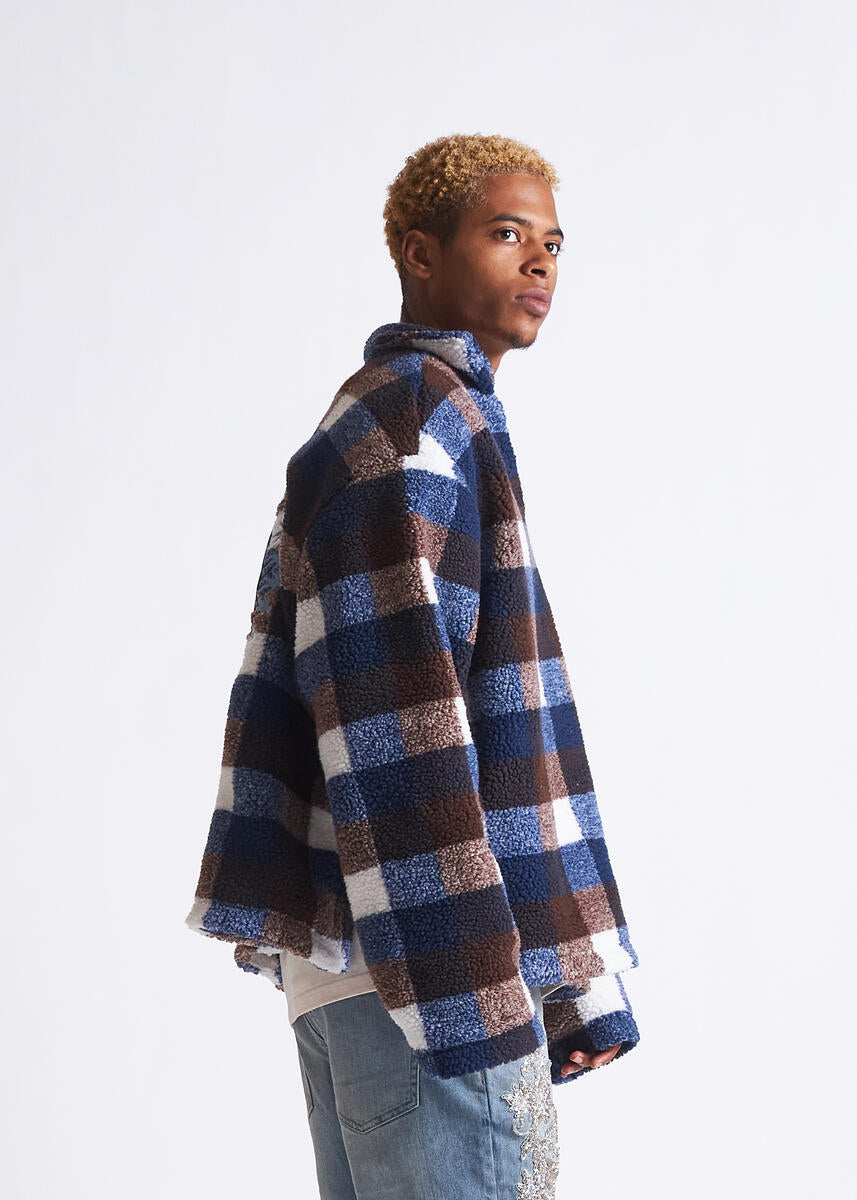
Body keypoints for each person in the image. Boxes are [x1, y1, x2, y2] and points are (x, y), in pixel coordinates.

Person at [185, 132, 641, 1199]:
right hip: (426, 982)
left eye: (552, 242)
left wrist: (571, 985)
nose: (539, 261)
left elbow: (472, 716)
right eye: (505, 233)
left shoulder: (422, 418)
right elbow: (394, 724)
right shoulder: (413, 424)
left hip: (381, 967)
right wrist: (477, 999)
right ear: (418, 252)